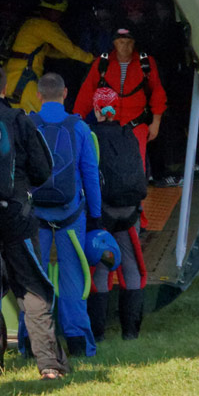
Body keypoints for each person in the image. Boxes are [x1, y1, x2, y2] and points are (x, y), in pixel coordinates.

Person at [0, 63, 66, 379]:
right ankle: (48, 365)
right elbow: (42, 170)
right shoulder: (21, 120)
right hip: (18, 216)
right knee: (32, 287)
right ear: (5, 89)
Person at [27, 73, 101, 357]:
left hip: (35, 216)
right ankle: (78, 343)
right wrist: (96, 215)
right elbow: (90, 175)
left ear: (38, 95)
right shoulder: (79, 127)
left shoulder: (28, 124)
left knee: (33, 278)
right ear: (65, 93)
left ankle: (31, 344)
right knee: (73, 277)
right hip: (71, 215)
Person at [86, 86, 150, 340]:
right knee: (132, 267)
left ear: (96, 108)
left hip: (103, 212)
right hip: (130, 211)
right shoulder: (129, 134)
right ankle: (131, 333)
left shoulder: (90, 135)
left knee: (101, 268)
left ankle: (98, 334)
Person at [71, 28, 168, 176]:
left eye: (129, 42)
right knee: (108, 167)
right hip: (109, 124)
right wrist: (77, 120)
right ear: (114, 43)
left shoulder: (145, 63)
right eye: (121, 42)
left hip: (137, 124)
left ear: (134, 43)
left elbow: (157, 93)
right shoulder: (103, 63)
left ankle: (138, 190)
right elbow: (86, 93)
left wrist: (156, 123)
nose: (125, 46)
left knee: (137, 169)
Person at [2, 0, 93, 113]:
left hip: (8, 78)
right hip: (25, 83)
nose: (59, 18)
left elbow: (47, 51)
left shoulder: (30, 23)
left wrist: (66, 56)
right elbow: (70, 49)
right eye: (59, 13)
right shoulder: (46, 26)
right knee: (49, 116)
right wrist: (91, 59)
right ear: (53, 12)